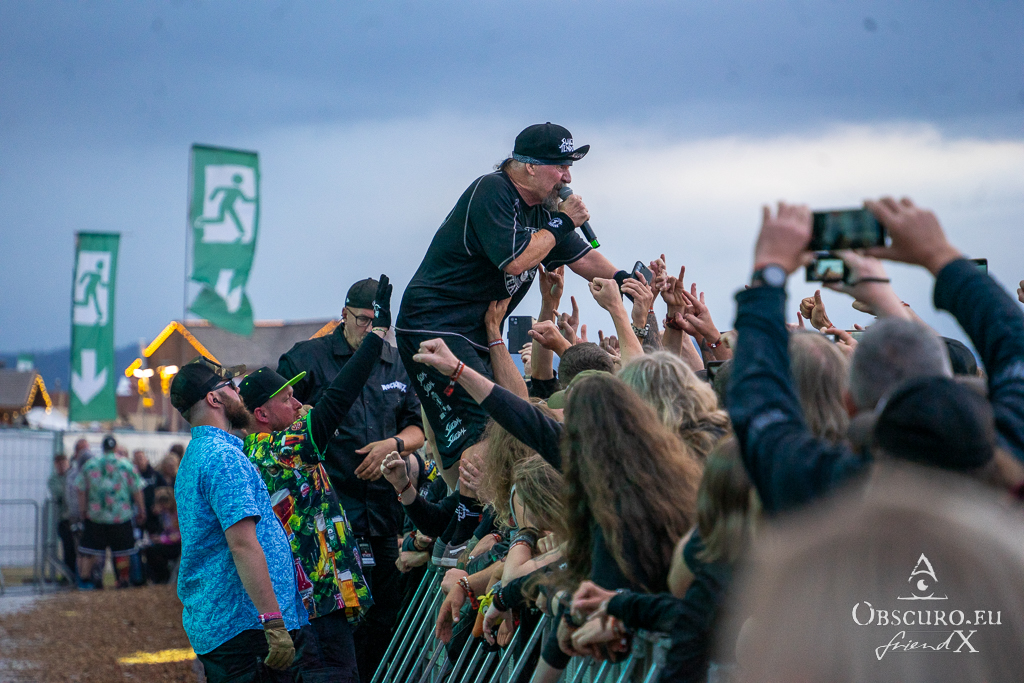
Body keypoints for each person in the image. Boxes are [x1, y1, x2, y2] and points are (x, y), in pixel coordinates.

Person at [728, 198, 1024, 515]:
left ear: (850, 405)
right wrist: (939, 255)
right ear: (949, 383)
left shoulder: (824, 488)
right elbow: (1014, 345)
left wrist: (769, 272)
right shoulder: (1008, 459)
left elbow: (759, 404)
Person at [395, 122, 624, 482]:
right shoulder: (494, 191)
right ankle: (475, 512)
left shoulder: (544, 209)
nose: (567, 178)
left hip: (478, 330)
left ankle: (485, 507)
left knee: (507, 420)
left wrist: (627, 281)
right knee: (486, 427)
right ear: (529, 166)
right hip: (435, 324)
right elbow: (515, 260)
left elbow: (583, 259)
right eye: (560, 166)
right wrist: (564, 222)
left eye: (569, 167)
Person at [239, 275, 393, 683]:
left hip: (313, 598)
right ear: (261, 414)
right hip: (314, 601)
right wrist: (377, 335)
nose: (298, 403)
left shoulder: (257, 449)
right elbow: (339, 396)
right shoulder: (282, 449)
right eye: (287, 399)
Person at [277, 276, 423, 683]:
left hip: (384, 515)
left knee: (384, 617)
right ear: (344, 314)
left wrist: (393, 444)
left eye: (378, 323)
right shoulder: (308, 357)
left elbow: (418, 428)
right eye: (362, 320)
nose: (370, 329)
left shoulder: (396, 362)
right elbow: (279, 421)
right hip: (330, 518)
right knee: (337, 625)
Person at [170, 357, 307, 683]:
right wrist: (273, 622)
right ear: (214, 399)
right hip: (246, 628)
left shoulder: (198, 454)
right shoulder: (223, 457)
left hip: (229, 626)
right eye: (230, 386)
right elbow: (243, 545)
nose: (239, 393)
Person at [74, 435, 146, 589]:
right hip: (121, 515)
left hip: (96, 515)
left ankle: (86, 581)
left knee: (90, 550)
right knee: (122, 550)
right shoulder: (126, 464)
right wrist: (141, 509)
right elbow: (137, 489)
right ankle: (123, 578)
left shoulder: (90, 465)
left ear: (102, 447)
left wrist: (83, 510)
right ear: (115, 447)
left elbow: (80, 489)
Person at [47, 453, 75, 581]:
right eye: (59, 464)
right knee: (68, 548)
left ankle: (79, 575)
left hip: (75, 517)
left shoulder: (74, 475)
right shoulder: (53, 479)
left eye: (63, 463)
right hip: (64, 519)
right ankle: (68, 576)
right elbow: (59, 493)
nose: (62, 466)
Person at [132, 449, 167, 535]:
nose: (139, 462)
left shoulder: (155, 475)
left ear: (146, 459)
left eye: (141, 458)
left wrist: (160, 505)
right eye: (136, 459)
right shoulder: (132, 476)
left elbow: (166, 490)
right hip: (138, 512)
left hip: (154, 512)